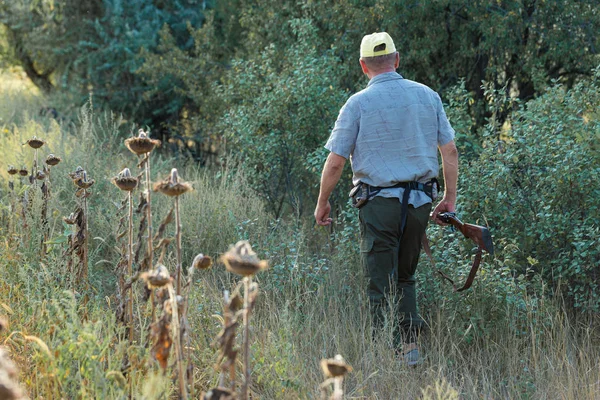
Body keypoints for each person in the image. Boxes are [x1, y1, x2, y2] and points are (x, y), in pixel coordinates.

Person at [314, 32, 458, 366]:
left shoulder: (357, 104)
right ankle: (409, 351)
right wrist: (448, 199)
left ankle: (388, 355)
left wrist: (322, 201)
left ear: (364, 66)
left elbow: (335, 161)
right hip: (421, 203)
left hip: (379, 206)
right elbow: (448, 149)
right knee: (405, 277)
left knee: (380, 281)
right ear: (397, 59)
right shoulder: (428, 96)